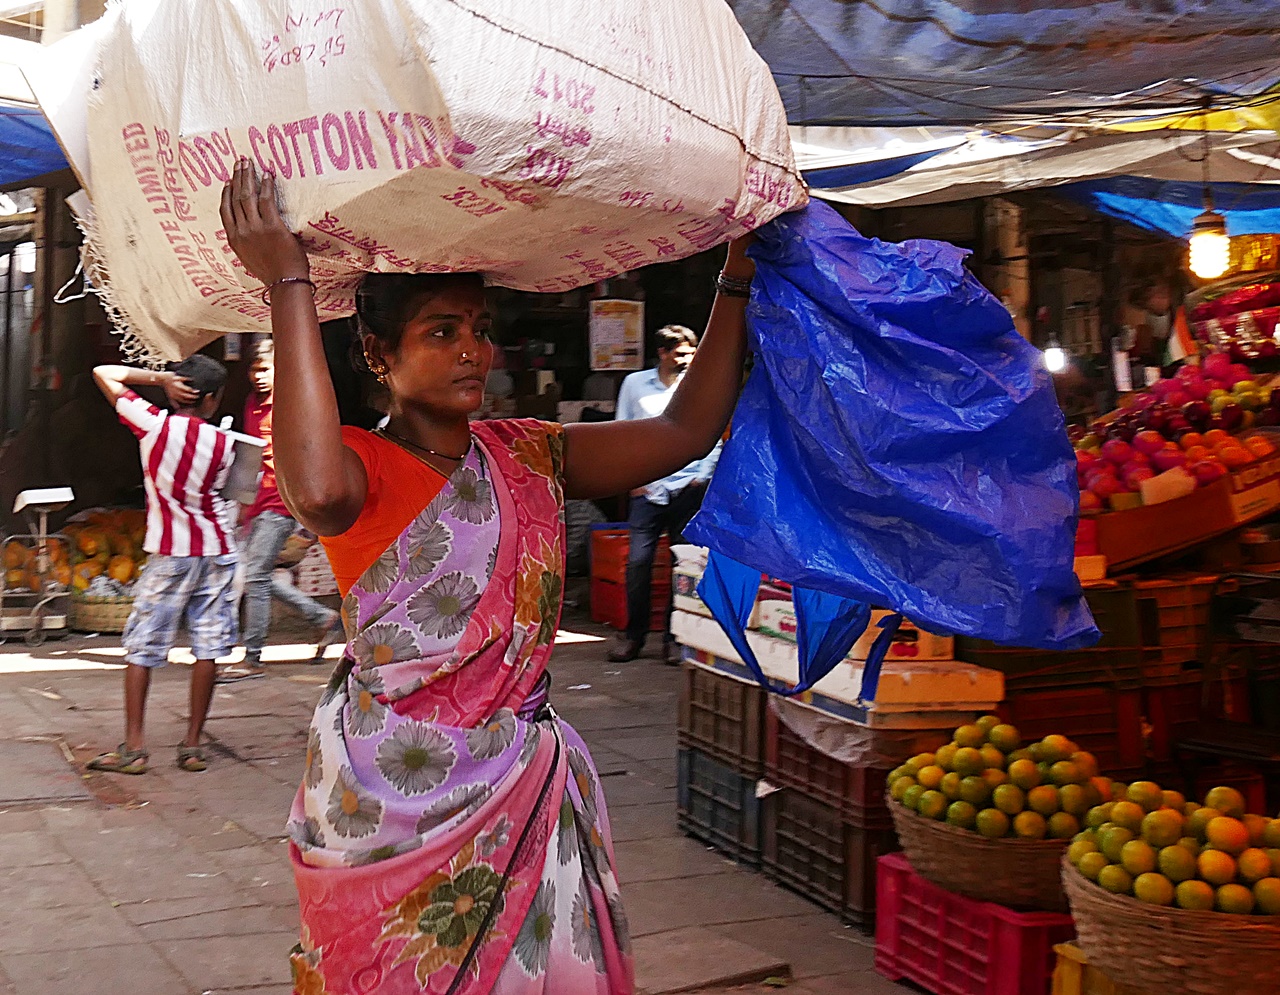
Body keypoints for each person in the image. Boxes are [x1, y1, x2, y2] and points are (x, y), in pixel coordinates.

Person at [220, 158, 753, 995]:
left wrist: (734, 282)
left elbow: (687, 427)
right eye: (442, 331)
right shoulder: (361, 463)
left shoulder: (531, 452)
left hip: (523, 791)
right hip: (389, 803)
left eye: (479, 326)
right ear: (376, 350)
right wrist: (289, 281)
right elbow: (315, 491)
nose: (474, 349)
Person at [86, 355, 238, 775]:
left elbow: (104, 373)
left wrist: (159, 380)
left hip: (172, 552)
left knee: (144, 646)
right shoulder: (227, 443)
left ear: (179, 389)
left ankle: (133, 748)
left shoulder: (152, 423)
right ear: (211, 399)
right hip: (217, 549)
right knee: (208, 645)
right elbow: (229, 492)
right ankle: (192, 746)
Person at [218, 339, 343, 682]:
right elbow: (253, 457)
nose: (259, 376)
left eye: (266, 369)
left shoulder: (291, 405)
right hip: (259, 500)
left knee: (256, 575)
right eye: (254, 369)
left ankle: (253, 656)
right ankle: (322, 618)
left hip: (283, 500)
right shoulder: (251, 404)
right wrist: (245, 503)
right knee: (256, 575)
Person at [608, 325, 720, 665]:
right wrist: (631, 478)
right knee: (638, 565)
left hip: (688, 488)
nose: (687, 358)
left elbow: (712, 432)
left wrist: (701, 477)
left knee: (683, 567)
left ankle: (675, 638)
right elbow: (620, 431)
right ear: (662, 353)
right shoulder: (635, 384)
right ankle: (633, 637)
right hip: (648, 487)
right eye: (680, 352)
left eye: (691, 352)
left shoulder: (699, 385)